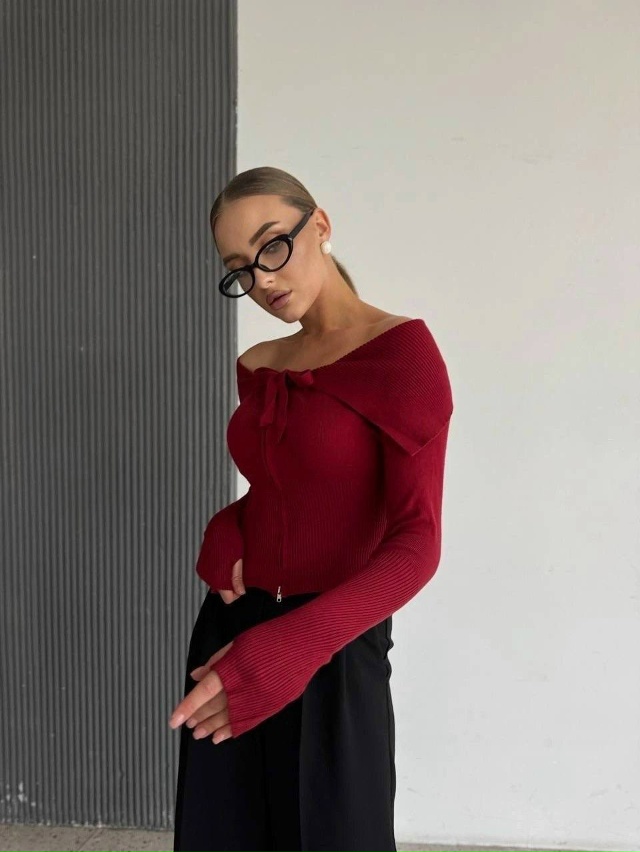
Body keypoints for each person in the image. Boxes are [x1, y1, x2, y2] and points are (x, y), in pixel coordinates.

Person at [169, 166, 454, 852]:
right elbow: (284, 484)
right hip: (233, 633)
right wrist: (227, 525)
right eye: (239, 268)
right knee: (223, 834)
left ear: (319, 226)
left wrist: (295, 646)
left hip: (333, 644)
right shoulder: (261, 363)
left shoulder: (402, 355)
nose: (262, 279)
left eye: (273, 246)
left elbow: (417, 540)